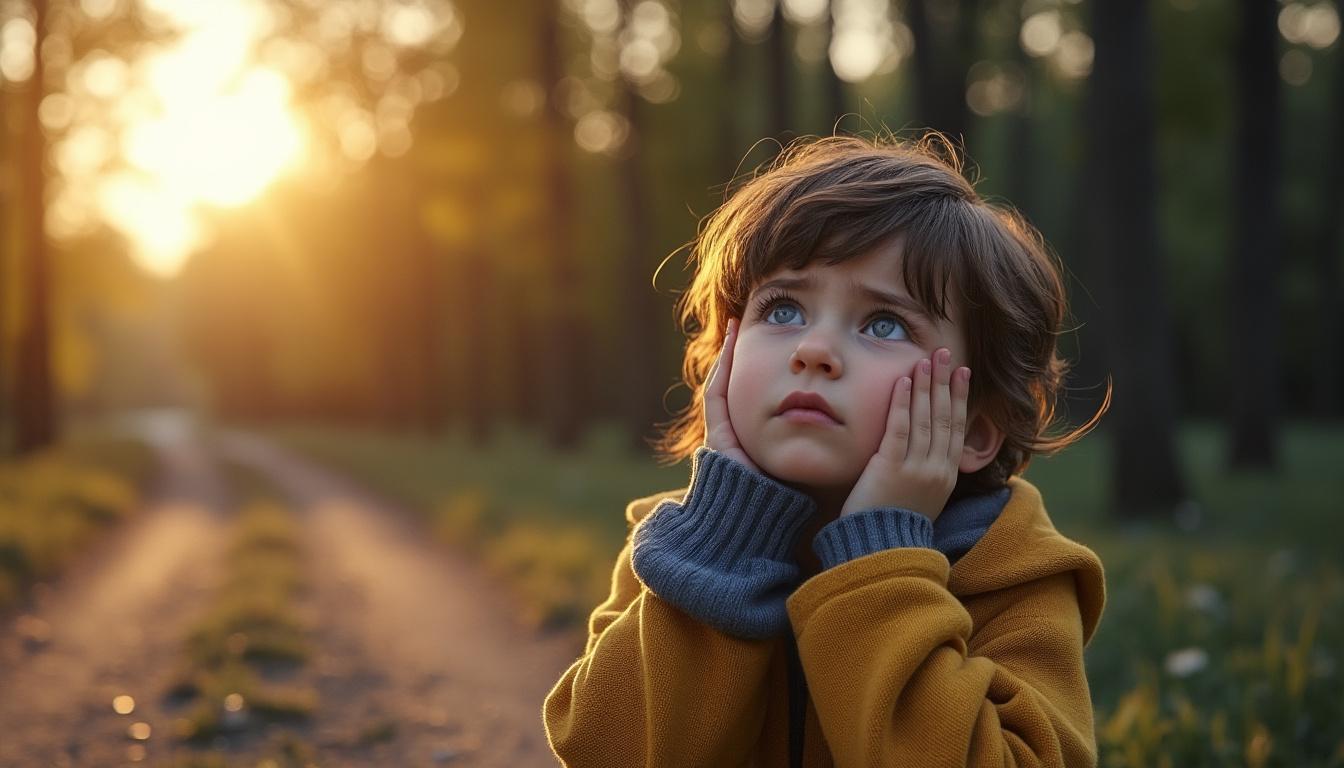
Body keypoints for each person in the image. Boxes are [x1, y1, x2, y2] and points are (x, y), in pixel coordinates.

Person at [543, 134, 1109, 767]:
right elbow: (607, 754)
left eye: (883, 324)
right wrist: (726, 547)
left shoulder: (1014, 574)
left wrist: (880, 554)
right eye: (782, 308)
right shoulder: (684, 549)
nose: (813, 351)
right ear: (721, 364)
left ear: (975, 428)